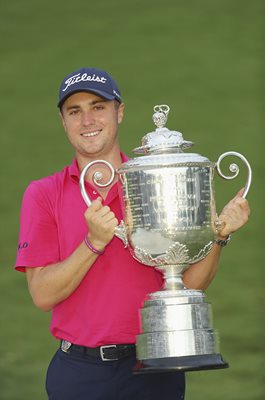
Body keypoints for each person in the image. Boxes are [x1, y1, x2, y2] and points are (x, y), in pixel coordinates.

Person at [15, 67, 250, 400]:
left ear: (119, 112)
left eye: (98, 107)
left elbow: (189, 285)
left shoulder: (156, 182)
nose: (87, 120)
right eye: (74, 111)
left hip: (156, 365)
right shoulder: (43, 194)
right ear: (63, 121)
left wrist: (219, 235)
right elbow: (42, 294)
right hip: (80, 373)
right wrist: (92, 243)